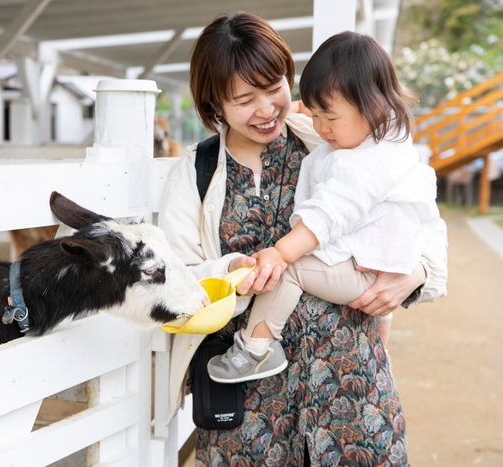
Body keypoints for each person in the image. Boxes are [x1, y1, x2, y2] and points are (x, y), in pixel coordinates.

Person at [157, 12, 448, 467]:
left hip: (352, 387)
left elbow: (418, 216)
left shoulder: (333, 136)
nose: (267, 108)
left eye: (274, 87)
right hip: (250, 408)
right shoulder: (195, 173)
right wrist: (228, 272)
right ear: (215, 103)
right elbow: (174, 276)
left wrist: (415, 273)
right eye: (244, 99)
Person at [206, 31, 440, 384]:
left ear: (373, 105)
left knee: (292, 269)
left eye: (329, 118)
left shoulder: (362, 163)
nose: (320, 127)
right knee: (380, 323)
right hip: (377, 263)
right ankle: (383, 360)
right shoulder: (380, 141)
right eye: (313, 114)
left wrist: (282, 252)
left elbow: (331, 212)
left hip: (364, 271)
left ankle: (256, 348)